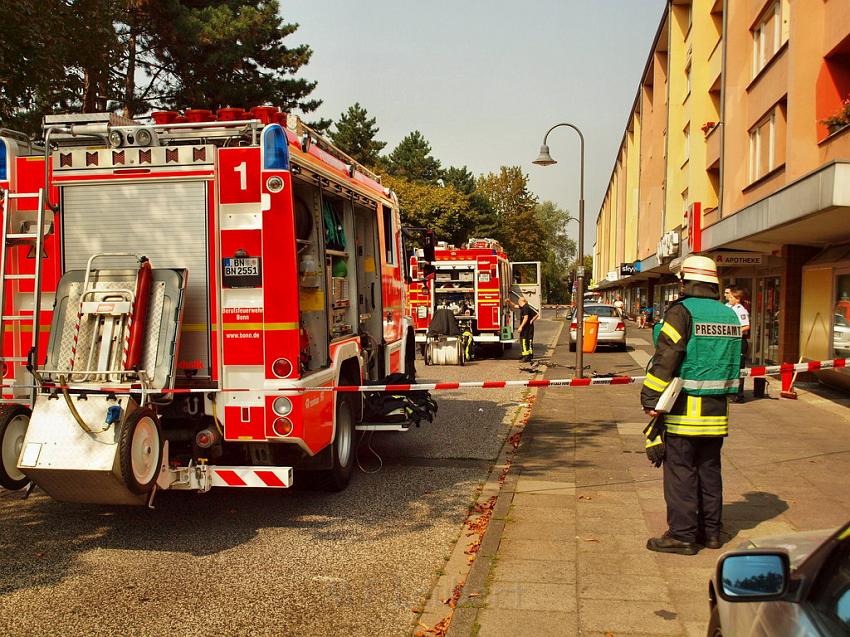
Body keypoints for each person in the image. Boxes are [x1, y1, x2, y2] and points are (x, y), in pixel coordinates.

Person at [641, 255, 742, 555]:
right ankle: (711, 533)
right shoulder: (730, 315)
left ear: (686, 281)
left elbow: (666, 358)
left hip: (685, 410)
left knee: (681, 472)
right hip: (718, 411)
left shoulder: (682, 312)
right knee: (709, 470)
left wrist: (650, 397)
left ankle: (682, 535)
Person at [726, 288, 750, 403]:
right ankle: (729, 391)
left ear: (738, 299)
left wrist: (732, 332)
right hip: (730, 341)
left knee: (739, 368)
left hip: (739, 342)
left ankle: (739, 394)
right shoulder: (728, 307)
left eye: (731, 297)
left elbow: (746, 326)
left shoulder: (741, 310)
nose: (728, 299)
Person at [510, 297, 538, 362]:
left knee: (524, 341)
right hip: (527, 327)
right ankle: (527, 355)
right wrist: (509, 302)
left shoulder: (526, 308)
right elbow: (514, 306)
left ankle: (526, 357)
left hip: (526, 328)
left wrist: (521, 327)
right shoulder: (524, 307)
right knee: (527, 341)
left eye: (518, 302)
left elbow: (526, 318)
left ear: (521, 301)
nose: (518, 303)